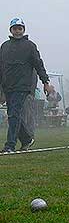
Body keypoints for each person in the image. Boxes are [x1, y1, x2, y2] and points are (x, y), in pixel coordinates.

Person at [0, 18, 50, 152]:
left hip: (23, 86)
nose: (17, 31)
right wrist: (1, 91)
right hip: (8, 86)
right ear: (11, 30)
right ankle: (27, 139)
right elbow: (1, 68)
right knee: (13, 114)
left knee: (14, 114)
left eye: (20, 28)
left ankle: (10, 146)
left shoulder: (30, 46)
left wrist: (45, 82)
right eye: (15, 28)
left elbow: (38, 64)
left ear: (23, 30)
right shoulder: (4, 46)